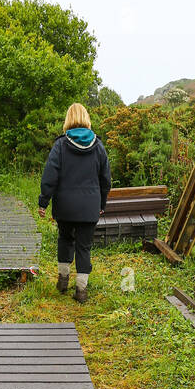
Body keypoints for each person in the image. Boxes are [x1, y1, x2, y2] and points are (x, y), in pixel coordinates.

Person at [38, 103, 111, 303]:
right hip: (90, 207)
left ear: (68, 119)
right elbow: (106, 180)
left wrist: (43, 202)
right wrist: (102, 204)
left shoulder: (61, 145)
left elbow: (49, 176)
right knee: (84, 247)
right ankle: (81, 290)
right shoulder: (98, 146)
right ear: (86, 118)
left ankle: (62, 280)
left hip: (65, 206)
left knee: (65, 239)